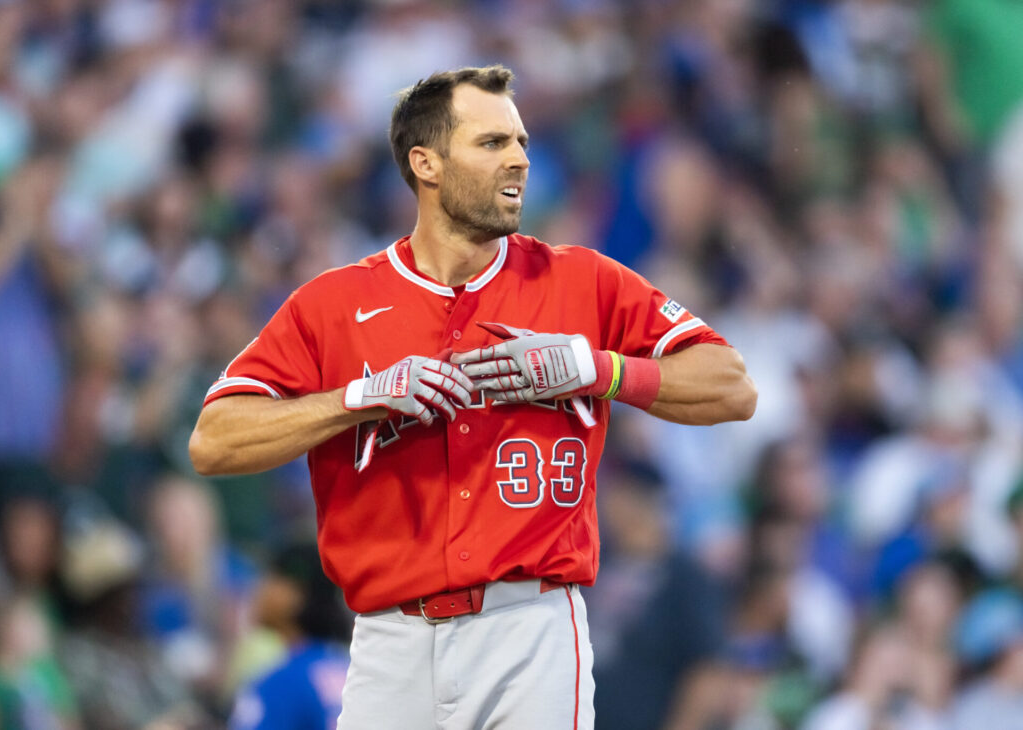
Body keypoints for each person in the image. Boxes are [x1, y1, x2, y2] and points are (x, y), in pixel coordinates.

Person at [189, 64, 757, 729]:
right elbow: (213, 439)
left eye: (519, 141)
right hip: (388, 639)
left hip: (531, 628)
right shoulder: (337, 305)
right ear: (425, 163)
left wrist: (599, 370)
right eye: (491, 143)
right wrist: (353, 399)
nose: (519, 159)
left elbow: (731, 384)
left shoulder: (581, 282)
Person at [228, 542, 351, 730]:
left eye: (271, 577)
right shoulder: (349, 667)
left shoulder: (280, 685)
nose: (259, 588)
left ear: (295, 595)